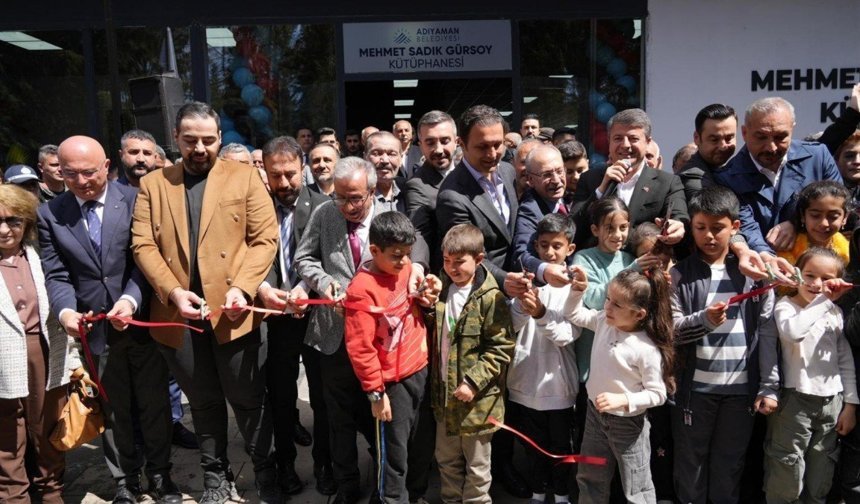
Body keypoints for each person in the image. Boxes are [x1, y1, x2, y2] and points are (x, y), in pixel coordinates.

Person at [131, 101, 282, 503]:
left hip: (234, 314)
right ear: (175, 138)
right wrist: (173, 291)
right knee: (203, 403)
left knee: (249, 401)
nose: (199, 148)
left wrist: (243, 288)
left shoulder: (244, 178)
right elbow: (143, 244)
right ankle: (216, 477)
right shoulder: (154, 185)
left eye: (208, 140)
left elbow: (265, 239)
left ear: (219, 138)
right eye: (190, 140)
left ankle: (266, 472)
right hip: (178, 318)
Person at [39, 135, 179, 504]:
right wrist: (66, 312)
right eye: (70, 174)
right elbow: (57, 274)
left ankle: (161, 476)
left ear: (106, 166)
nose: (81, 181)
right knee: (112, 409)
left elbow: (145, 261)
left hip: (141, 322)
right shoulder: (51, 214)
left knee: (154, 404)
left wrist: (130, 300)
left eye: (89, 172)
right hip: (94, 329)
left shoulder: (135, 200)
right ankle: (125, 482)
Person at [293, 156, 427, 504]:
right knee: (337, 416)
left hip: (383, 342)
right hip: (335, 335)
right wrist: (325, 284)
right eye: (339, 197)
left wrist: (417, 268)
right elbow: (303, 258)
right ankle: (347, 484)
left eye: (355, 198)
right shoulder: (325, 213)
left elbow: (416, 246)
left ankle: (385, 481)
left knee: (380, 415)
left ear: (371, 191)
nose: (347, 206)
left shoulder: (389, 213)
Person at [670, 186, 775, 504]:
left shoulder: (752, 273)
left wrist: (769, 385)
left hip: (740, 391)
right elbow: (672, 330)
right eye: (700, 227)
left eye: (718, 228)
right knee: (691, 465)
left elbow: (767, 330)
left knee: (730, 466)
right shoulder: (679, 274)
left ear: (735, 227)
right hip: (695, 390)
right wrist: (705, 320)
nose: (709, 236)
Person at [256, 135, 335, 496]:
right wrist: (264, 288)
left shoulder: (324, 206)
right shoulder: (257, 207)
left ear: (302, 168)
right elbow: (249, 255)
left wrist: (306, 287)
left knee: (321, 395)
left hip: (315, 315)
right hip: (275, 316)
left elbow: (328, 257)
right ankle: (285, 464)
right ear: (265, 173)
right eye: (276, 175)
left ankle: (324, 463)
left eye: (290, 173)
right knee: (281, 396)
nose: (284, 183)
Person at [344, 212, 440, 504]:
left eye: (407, 254)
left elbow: (421, 302)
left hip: (420, 371)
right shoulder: (361, 289)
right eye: (396, 256)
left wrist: (428, 294)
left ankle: (417, 495)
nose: (404, 261)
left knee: (422, 446)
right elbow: (360, 347)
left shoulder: (407, 268)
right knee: (394, 454)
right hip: (391, 385)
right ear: (374, 251)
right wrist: (376, 393)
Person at [0, 184, 82, 503]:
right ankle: (13, 496)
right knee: (8, 435)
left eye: (13, 221)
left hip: (44, 351)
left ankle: (50, 491)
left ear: (27, 222)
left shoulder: (40, 256)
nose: (5, 230)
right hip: (4, 355)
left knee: (47, 428)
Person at [566, 265, 674, 504]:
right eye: (608, 299)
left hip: (628, 425)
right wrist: (577, 290)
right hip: (595, 416)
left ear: (639, 314)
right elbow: (574, 314)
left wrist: (624, 399)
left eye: (617, 304)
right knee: (589, 477)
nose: (607, 307)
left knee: (637, 486)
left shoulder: (645, 349)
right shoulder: (604, 322)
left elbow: (658, 394)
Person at [758, 247, 858, 503]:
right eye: (810, 275)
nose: (816, 284)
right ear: (797, 274)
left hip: (831, 402)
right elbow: (794, 332)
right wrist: (824, 300)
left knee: (822, 468)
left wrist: (850, 404)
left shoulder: (835, 313)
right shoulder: (786, 306)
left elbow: (844, 360)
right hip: (795, 401)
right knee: (786, 466)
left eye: (826, 279)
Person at [432, 223, 515, 504]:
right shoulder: (440, 289)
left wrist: (472, 382)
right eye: (446, 260)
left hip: (477, 406)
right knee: (447, 460)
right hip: (445, 399)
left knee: (478, 468)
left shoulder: (491, 297)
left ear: (479, 259)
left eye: (459, 262)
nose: (451, 268)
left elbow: (501, 348)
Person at [713, 97, 843, 258]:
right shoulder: (727, 178)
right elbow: (745, 225)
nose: (771, 147)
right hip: (760, 266)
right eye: (761, 137)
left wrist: (796, 223)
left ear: (792, 130)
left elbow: (837, 205)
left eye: (780, 137)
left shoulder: (818, 157)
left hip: (819, 262)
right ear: (745, 133)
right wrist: (767, 258)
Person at [508, 213, 579, 504]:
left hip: (559, 386)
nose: (550, 252)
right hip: (526, 382)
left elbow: (566, 335)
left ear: (569, 249)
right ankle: (538, 491)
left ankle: (561, 494)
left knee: (561, 445)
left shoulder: (575, 289)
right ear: (536, 246)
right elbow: (511, 326)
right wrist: (521, 305)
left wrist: (539, 313)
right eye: (544, 245)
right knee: (532, 445)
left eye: (557, 246)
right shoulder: (526, 283)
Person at [571, 108, 687, 252]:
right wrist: (601, 190)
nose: (625, 145)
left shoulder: (668, 183)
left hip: (644, 263)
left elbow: (679, 217)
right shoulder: (590, 179)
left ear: (648, 142)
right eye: (618, 138)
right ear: (609, 142)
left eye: (633, 139)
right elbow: (573, 230)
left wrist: (676, 226)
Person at [405, 110, 458, 274]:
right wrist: (418, 265)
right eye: (430, 143)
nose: (439, 149)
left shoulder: (472, 173)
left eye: (445, 141)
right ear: (420, 145)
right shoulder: (417, 185)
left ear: (456, 141)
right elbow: (419, 231)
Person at [513, 144, 572, 287]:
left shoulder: (571, 196)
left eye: (560, 171)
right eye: (547, 175)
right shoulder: (530, 210)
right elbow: (521, 255)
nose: (556, 180)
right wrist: (545, 270)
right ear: (530, 180)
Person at [777, 181, 850, 266]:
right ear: (803, 215)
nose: (824, 223)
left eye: (833, 217)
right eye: (815, 215)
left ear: (845, 217)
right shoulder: (785, 249)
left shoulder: (849, 252)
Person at [677, 104, 738, 201]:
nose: (723, 146)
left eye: (729, 138)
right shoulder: (693, 179)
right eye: (714, 140)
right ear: (697, 138)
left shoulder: (737, 168)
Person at [365, 131, 408, 213]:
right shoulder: (355, 195)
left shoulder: (409, 192)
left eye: (392, 154)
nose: (385, 160)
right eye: (377, 153)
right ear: (365, 157)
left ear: (401, 159)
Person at [558, 140, 588, 209]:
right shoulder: (556, 199)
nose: (576, 177)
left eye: (580, 171)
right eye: (569, 172)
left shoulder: (598, 189)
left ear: (588, 164)